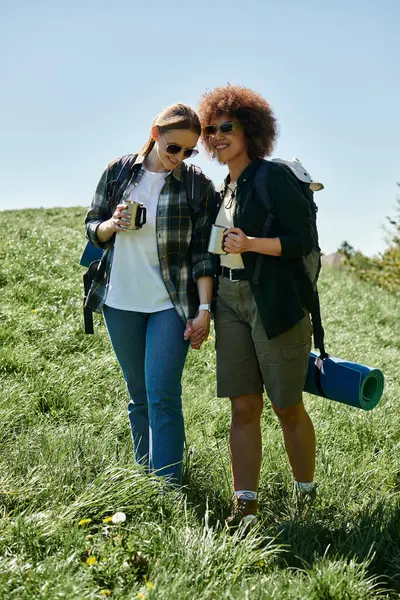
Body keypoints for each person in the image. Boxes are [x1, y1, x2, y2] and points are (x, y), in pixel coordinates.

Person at [197, 85, 317, 525]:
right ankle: (245, 505)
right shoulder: (224, 188)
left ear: (251, 129)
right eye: (211, 130)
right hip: (229, 301)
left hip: (273, 300)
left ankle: (306, 496)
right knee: (243, 406)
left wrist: (250, 244)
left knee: (287, 406)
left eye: (226, 127)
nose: (217, 136)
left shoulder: (274, 178)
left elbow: (301, 240)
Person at [85, 104, 215, 486]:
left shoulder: (195, 185)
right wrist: (111, 224)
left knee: (163, 394)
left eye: (189, 151)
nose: (180, 158)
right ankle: (144, 481)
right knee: (138, 394)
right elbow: (91, 225)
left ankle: (169, 486)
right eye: (175, 148)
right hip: (119, 300)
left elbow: (204, 254)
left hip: (169, 305)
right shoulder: (120, 171)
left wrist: (204, 309)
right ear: (156, 134)